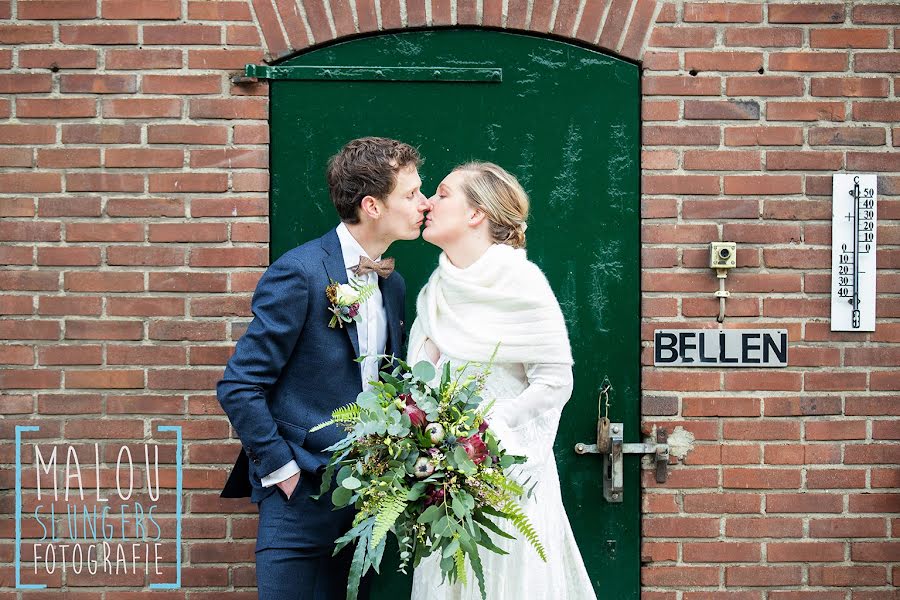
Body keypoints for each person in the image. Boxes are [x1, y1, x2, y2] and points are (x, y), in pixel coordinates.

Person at [217, 137, 429, 600]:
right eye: (411, 194)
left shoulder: (394, 285)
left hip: (367, 499)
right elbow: (239, 385)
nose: (424, 203)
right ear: (372, 205)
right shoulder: (302, 272)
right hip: (301, 493)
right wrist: (284, 471)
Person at [407, 162, 597, 599]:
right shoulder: (437, 289)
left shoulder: (521, 283)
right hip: (448, 491)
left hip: (507, 487)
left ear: (476, 214)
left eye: (443, 193)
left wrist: (490, 430)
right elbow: (420, 384)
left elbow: (554, 382)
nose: (429, 203)